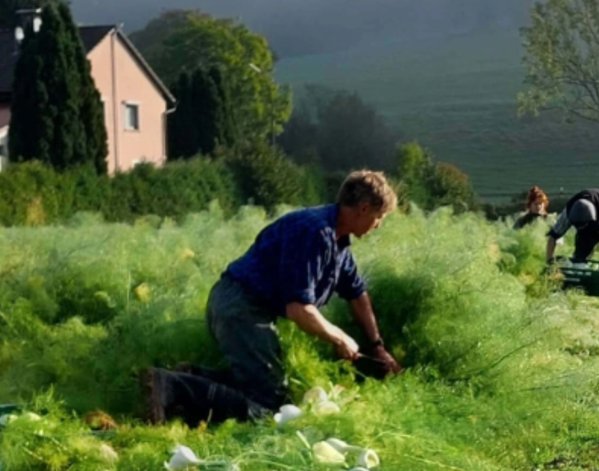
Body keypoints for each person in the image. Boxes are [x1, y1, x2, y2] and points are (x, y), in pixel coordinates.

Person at [141, 170, 403, 427]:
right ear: (364, 209)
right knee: (270, 406)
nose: (378, 225)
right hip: (241, 307)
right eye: (379, 217)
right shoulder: (315, 232)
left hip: (240, 305)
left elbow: (356, 293)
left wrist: (376, 345)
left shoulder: (338, 241)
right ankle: (170, 386)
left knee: (255, 385)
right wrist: (339, 337)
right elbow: (299, 309)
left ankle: (191, 379)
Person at [545, 188, 599, 307]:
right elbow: (553, 237)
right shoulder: (568, 213)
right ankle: (580, 288)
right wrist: (549, 263)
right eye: (578, 226)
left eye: (582, 225)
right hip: (588, 229)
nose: (580, 227)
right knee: (579, 259)